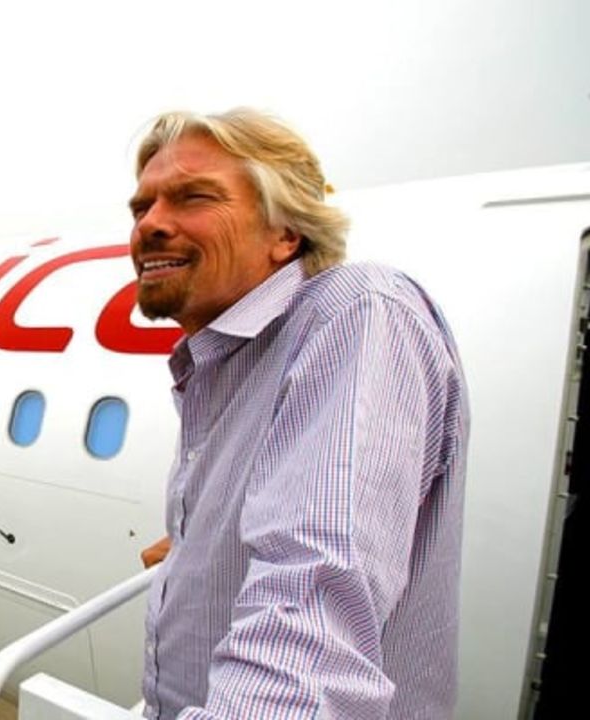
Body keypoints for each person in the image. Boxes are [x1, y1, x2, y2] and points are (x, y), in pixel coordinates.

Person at [128, 109, 469, 719]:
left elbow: (311, 608)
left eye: (192, 198)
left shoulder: (356, 313)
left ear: (286, 233)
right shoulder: (232, 354)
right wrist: (200, 544)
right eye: (141, 207)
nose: (151, 225)